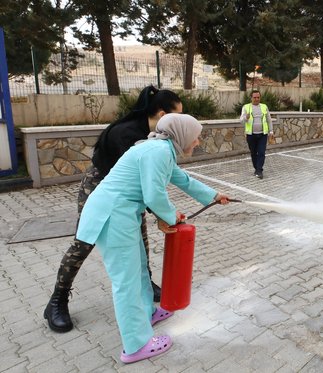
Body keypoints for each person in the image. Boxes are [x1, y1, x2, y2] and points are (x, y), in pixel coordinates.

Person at [76, 113, 230, 363]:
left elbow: (183, 180)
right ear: (183, 135)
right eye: (196, 136)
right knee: (126, 281)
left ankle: (147, 312)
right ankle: (135, 345)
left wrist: (213, 196)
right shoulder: (158, 151)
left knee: (138, 272)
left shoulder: (162, 150)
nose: (198, 141)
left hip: (121, 216)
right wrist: (169, 216)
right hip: (112, 217)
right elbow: (154, 194)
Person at [44, 86, 182, 333]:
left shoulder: (153, 135)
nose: (181, 121)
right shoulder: (127, 133)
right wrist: (162, 214)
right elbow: (142, 180)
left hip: (129, 198)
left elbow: (154, 179)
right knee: (83, 243)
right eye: (178, 115)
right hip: (100, 191)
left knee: (140, 242)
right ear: (163, 114)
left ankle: (144, 287)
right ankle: (58, 300)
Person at [240, 89, 274, 179]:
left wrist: (271, 131)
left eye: (258, 97)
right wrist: (246, 118)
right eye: (254, 97)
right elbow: (241, 121)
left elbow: (269, 119)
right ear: (251, 98)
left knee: (262, 152)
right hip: (251, 135)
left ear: (260, 97)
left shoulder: (264, 107)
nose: (256, 99)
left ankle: (259, 170)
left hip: (263, 134)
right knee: (253, 153)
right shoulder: (246, 107)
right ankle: (256, 169)